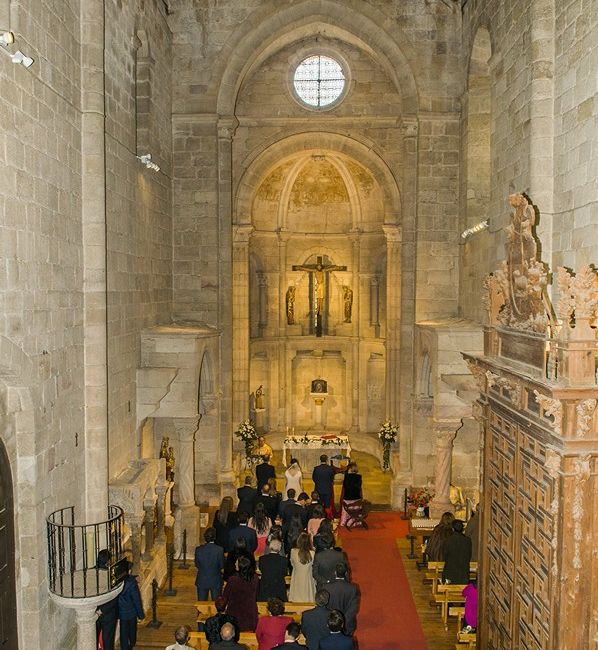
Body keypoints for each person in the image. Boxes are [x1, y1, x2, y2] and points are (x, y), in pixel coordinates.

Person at [223, 555, 259, 631]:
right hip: (250, 612)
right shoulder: (255, 578)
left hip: (235, 612)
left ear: (240, 566)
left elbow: (225, 595)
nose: (235, 564)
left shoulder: (233, 580)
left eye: (236, 563)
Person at [323, 563, 359, 635]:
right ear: (346, 573)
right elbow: (353, 609)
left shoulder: (326, 587)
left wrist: (333, 621)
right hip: (347, 625)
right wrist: (343, 621)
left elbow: (324, 606)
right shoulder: (352, 588)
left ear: (335, 573)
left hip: (331, 622)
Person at [118, 560, 144, 650]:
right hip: (131, 612)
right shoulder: (132, 584)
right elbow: (137, 600)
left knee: (123, 630)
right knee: (132, 629)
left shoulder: (118, 582)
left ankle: (124, 647)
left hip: (121, 612)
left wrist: (134, 577)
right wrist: (141, 615)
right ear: (128, 571)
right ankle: (132, 643)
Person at [95, 549, 119, 650]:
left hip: (94, 612)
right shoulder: (112, 576)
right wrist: (102, 610)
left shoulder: (91, 572)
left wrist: (97, 610)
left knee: (94, 640)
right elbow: (114, 597)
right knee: (108, 641)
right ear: (108, 561)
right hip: (108, 613)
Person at [194, 527, 224, 600]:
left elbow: (197, 564)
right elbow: (221, 565)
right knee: (217, 605)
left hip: (202, 579)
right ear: (215, 537)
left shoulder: (198, 549)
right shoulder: (219, 550)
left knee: (201, 605)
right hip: (215, 579)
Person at [442, 519, 472, 585]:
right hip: (464, 573)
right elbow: (469, 555)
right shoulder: (467, 541)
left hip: (450, 573)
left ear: (452, 529)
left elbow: (444, 555)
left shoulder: (448, 540)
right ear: (462, 529)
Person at [289, 532, 316, 603]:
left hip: (296, 578)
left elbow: (292, 564)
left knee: (296, 598)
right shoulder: (312, 553)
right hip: (308, 578)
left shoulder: (293, 551)